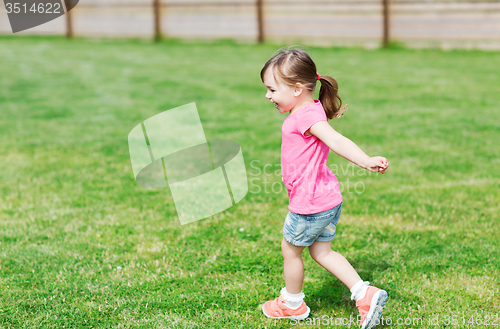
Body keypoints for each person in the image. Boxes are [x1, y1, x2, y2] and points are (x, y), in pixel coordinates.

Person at [260, 46, 389, 329]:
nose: (267, 96)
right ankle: (364, 293)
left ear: (296, 89)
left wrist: (365, 160)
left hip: (310, 204)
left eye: (271, 89)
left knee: (290, 250)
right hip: (327, 200)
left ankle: (292, 303)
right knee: (322, 252)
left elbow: (336, 140)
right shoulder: (310, 107)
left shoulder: (305, 116)